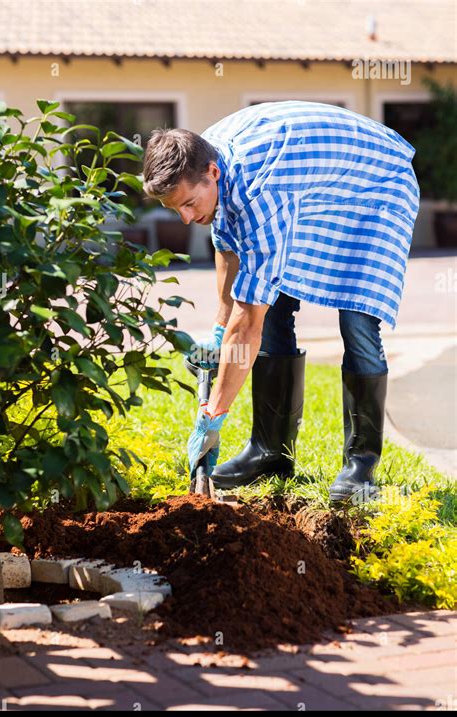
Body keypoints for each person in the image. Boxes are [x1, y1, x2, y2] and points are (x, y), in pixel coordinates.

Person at [142, 101, 420, 504]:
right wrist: (219, 332)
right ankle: (271, 454)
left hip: (378, 184)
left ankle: (360, 468)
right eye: (175, 210)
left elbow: (249, 319)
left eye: (188, 204)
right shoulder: (205, 157)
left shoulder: (261, 193)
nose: (185, 219)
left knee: (357, 318)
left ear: (213, 174)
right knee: (272, 302)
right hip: (313, 188)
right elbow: (229, 249)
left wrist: (212, 418)